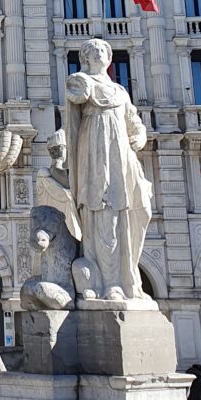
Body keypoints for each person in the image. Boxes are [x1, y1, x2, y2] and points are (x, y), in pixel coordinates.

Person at [64, 38, 153, 300]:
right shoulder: (81, 82)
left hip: (121, 156)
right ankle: (109, 281)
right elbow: (74, 96)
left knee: (137, 209)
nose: (100, 53)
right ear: (86, 57)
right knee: (103, 214)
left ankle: (129, 279)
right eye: (94, 51)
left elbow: (134, 123)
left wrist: (139, 136)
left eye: (104, 50)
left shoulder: (119, 91)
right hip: (95, 153)